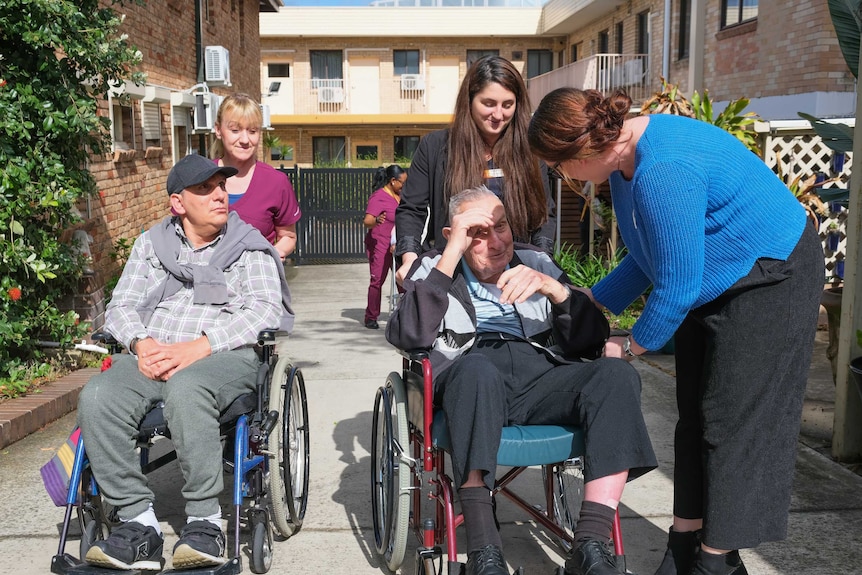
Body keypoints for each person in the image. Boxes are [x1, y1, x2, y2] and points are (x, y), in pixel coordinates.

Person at [527, 88, 825, 575]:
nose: (563, 177)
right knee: (695, 418)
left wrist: (629, 345)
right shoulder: (626, 163)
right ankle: (684, 543)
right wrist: (593, 300)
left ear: (584, 149)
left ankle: (716, 561)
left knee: (737, 423)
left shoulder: (662, 169)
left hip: (773, 274)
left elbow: (678, 286)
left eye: (559, 167)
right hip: (718, 274)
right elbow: (653, 256)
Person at [387, 186, 657, 575]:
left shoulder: (536, 261)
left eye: (502, 227)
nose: (496, 243)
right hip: (470, 381)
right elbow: (408, 335)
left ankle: (591, 544)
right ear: (454, 235)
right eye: (478, 233)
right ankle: (483, 550)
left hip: (540, 378)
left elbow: (591, 339)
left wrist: (556, 290)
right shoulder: (433, 268)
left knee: (616, 375)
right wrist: (449, 258)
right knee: (477, 370)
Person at [77, 154, 294, 571]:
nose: (219, 195)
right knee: (99, 395)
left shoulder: (249, 246)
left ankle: (204, 520)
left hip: (223, 356)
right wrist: (141, 343)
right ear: (178, 203)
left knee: (187, 387)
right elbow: (120, 307)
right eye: (205, 189)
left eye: (221, 186)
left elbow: (265, 313)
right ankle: (139, 524)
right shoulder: (152, 244)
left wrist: (200, 346)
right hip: (155, 352)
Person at [394, 55, 556, 283]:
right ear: (469, 101)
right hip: (452, 275)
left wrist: (541, 262)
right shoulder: (435, 147)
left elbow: (544, 216)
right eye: (488, 103)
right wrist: (409, 259)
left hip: (514, 275)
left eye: (507, 105)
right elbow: (411, 209)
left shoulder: (529, 150)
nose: (498, 115)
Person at [212, 93, 301, 260]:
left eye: (252, 131)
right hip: (207, 280)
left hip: (255, 280)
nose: (245, 139)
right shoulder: (199, 178)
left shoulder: (276, 182)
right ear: (218, 130)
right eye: (235, 130)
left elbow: (288, 236)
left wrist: (272, 254)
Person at [363, 164, 407, 329]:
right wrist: (376, 221)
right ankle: (371, 317)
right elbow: (367, 221)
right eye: (402, 182)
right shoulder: (378, 197)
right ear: (393, 181)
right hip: (380, 244)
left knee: (403, 279)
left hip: (398, 245)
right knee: (377, 281)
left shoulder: (399, 196)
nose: (404, 186)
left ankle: (406, 314)